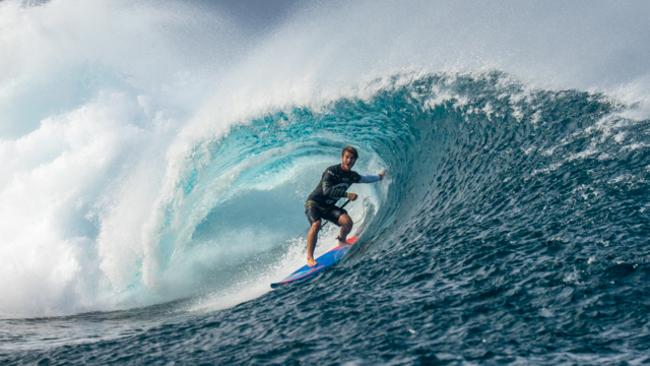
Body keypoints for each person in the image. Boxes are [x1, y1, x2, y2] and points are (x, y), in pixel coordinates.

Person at [304, 146, 385, 267]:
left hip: (328, 207)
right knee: (316, 224)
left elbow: (365, 178)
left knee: (347, 223)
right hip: (314, 203)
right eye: (347, 157)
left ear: (354, 161)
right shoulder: (331, 171)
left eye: (352, 158)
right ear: (342, 158)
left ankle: (341, 241)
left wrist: (379, 177)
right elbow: (326, 191)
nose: (349, 160)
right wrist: (347, 195)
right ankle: (310, 258)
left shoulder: (352, 176)